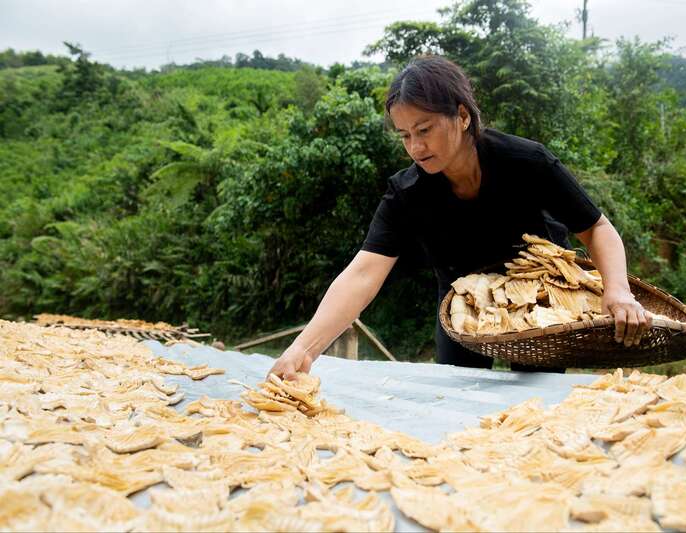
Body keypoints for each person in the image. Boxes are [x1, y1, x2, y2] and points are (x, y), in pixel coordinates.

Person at [269, 55, 651, 380]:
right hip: (461, 302)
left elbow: (596, 228)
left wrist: (617, 290)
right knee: (458, 390)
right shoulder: (406, 194)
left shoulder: (527, 162)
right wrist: (304, 349)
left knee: (537, 405)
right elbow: (363, 272)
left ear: (462, 116)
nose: (416, 148)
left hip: (537, 300)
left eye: (425, 130)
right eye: (404, 136)